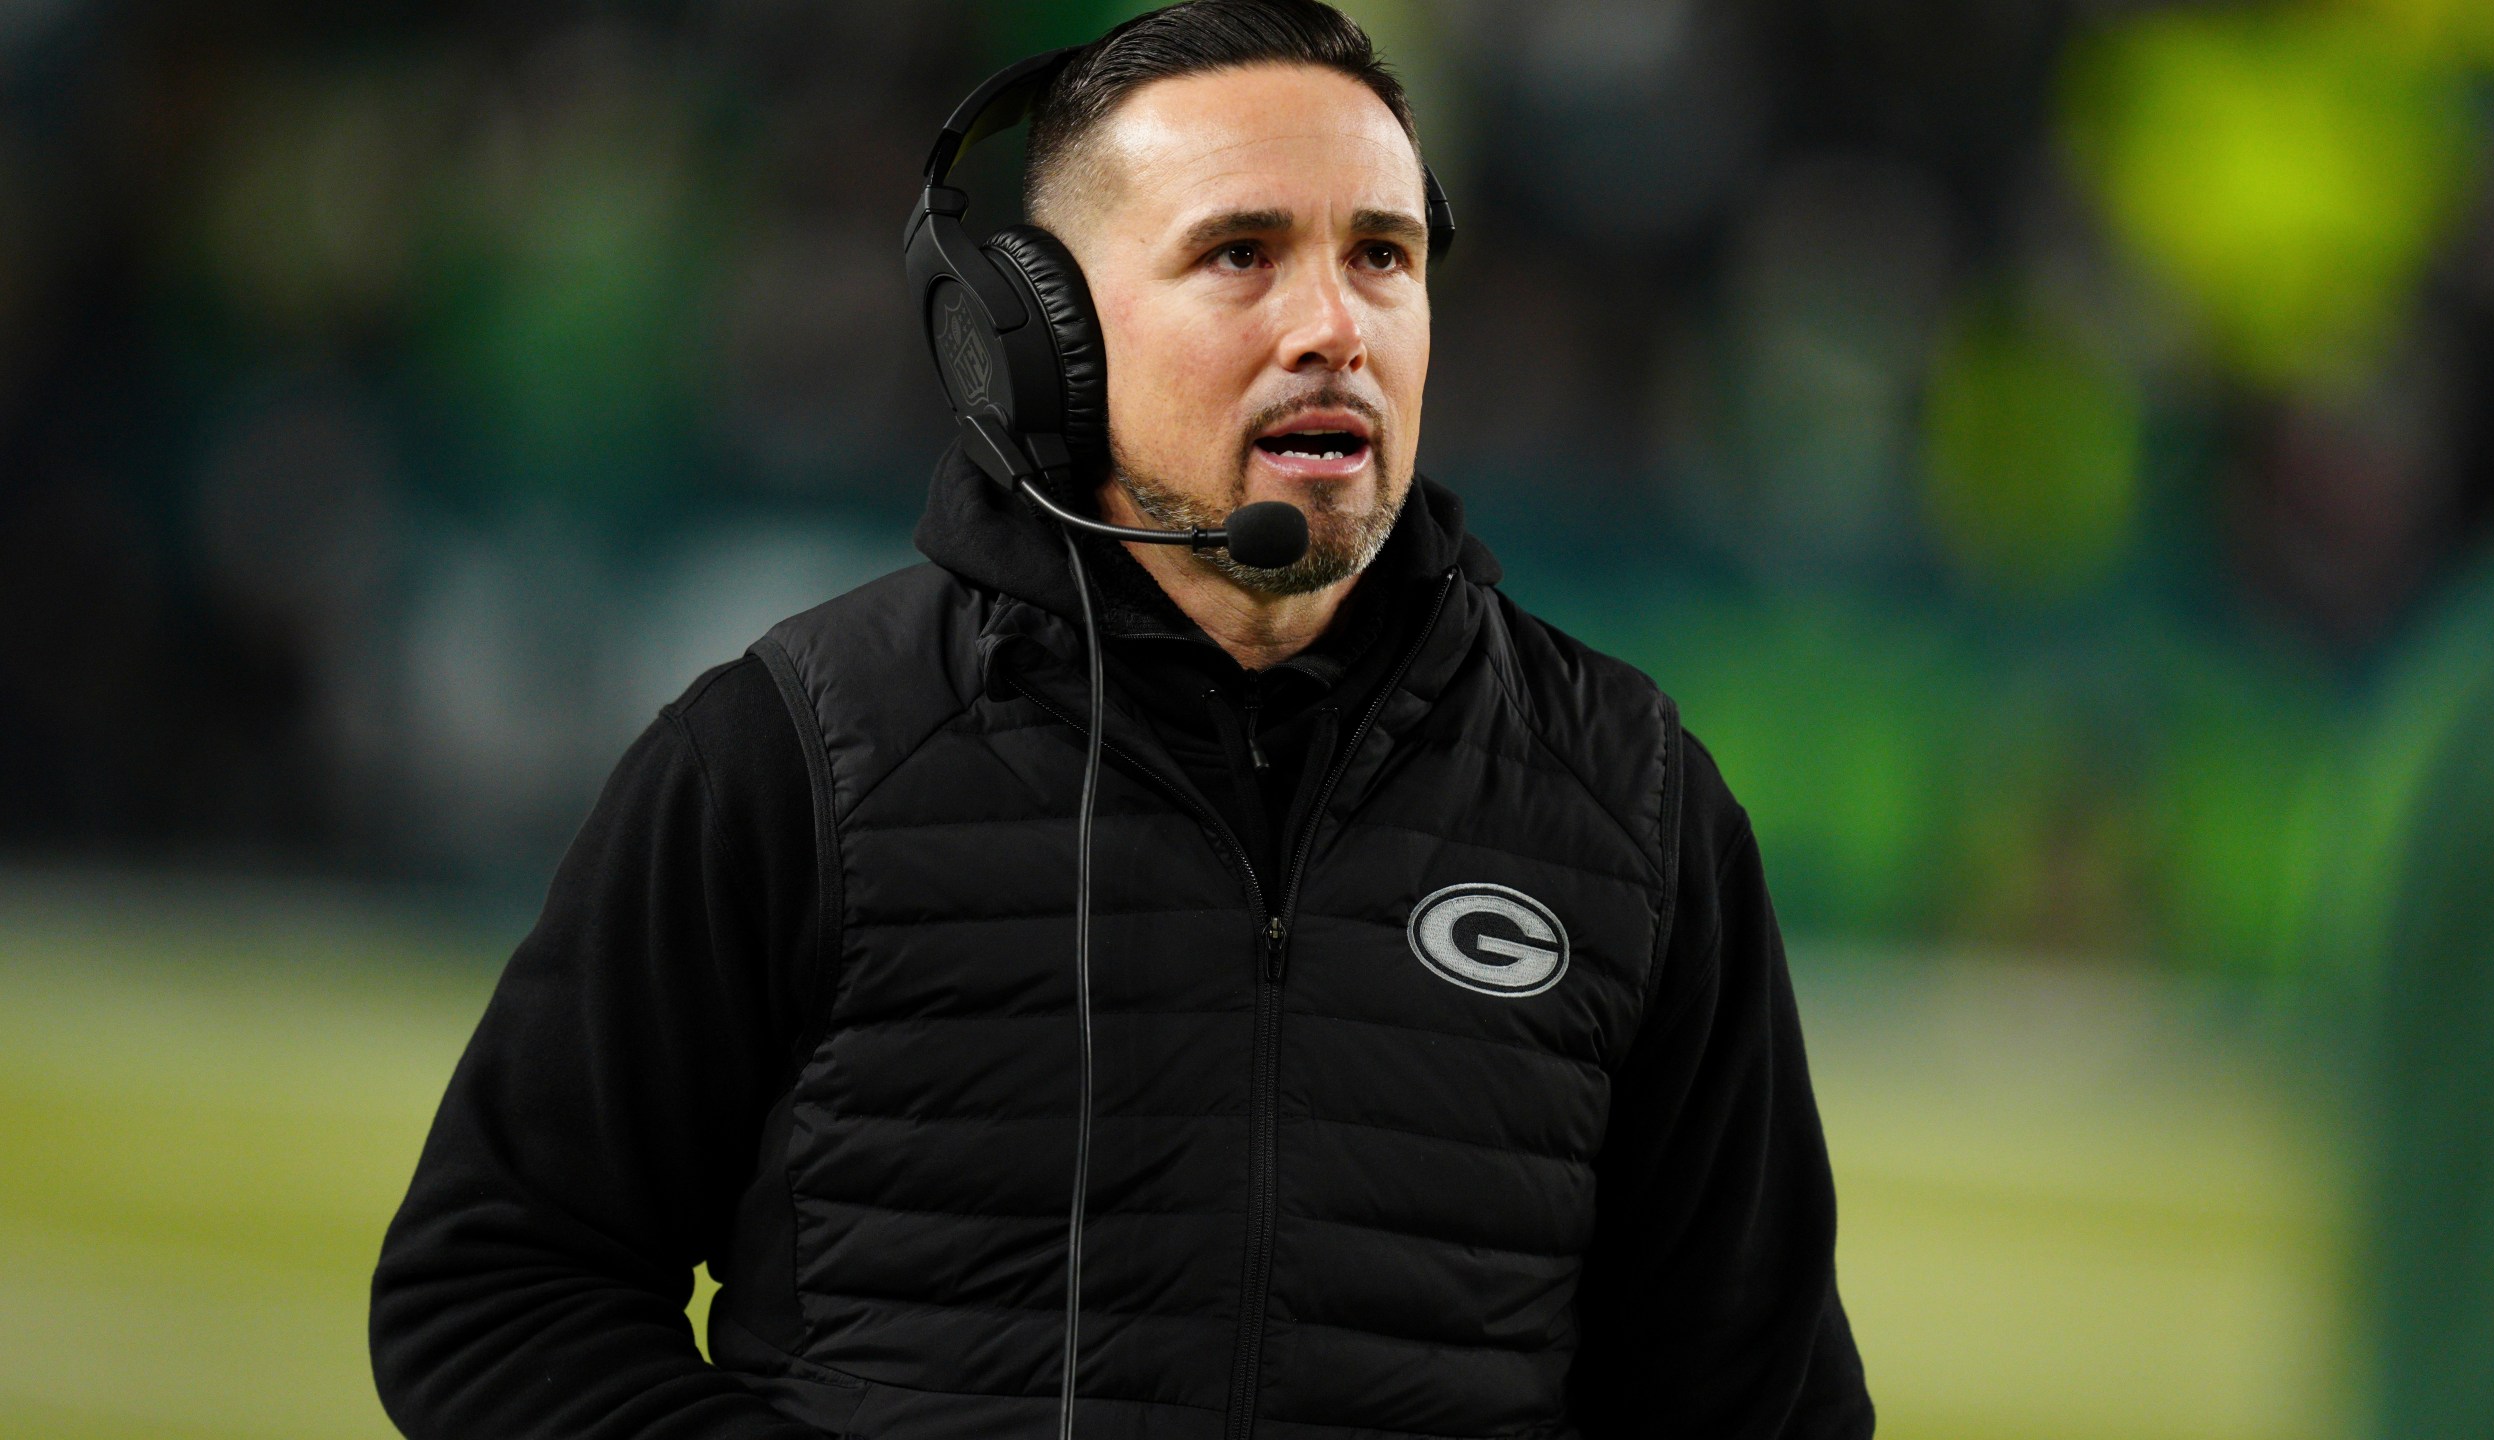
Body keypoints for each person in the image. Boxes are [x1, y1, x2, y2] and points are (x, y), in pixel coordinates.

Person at [369, 3, 1873, 1438]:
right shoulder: (787, 755)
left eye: (1383, 257)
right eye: (1241, 254)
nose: (1333, 325)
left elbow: (1761, 1408)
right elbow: (496, 1291)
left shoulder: (1630, 801)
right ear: (1038, 343)